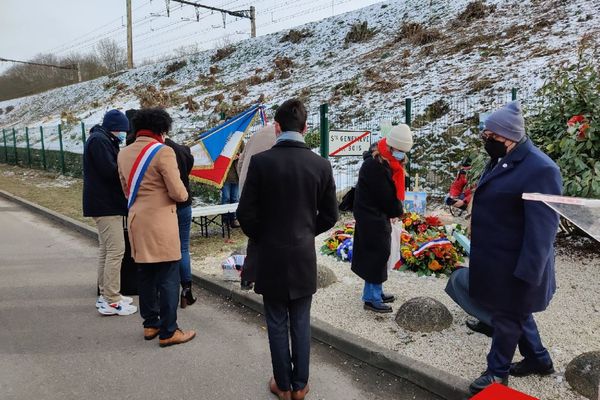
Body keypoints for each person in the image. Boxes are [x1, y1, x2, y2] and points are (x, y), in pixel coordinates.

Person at [444, 101, 562, 395]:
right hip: (496, 257)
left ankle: (496, 374)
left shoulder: (541, 169)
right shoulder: (501, 159)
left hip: (517, 263)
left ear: (508, 136)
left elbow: (543, 228)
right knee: (517, 313)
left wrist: (528, 273)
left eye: (490, 137)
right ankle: (538, 359)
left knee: (507, 317)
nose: (485, 141)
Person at [237, 99, 338, 400]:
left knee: (277, 320)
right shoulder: (320, 165)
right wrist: (306, 232)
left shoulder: (262, 162)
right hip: (303, 254)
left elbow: (245, 214)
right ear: (306, 128)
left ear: (277, 127)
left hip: (270, 254)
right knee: (301, 321)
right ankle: (300, 385)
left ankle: (282, 384)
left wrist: (264, 236)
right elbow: (330, 216)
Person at [117, 108, 196, 347]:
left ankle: (150, 324)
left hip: (137, 220)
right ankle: (169, 330)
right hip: (161, 223)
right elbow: (179, 192)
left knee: (145, 274)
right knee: (168, 276)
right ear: (161, 129)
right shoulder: (163, 152)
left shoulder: (123, 153)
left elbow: (125, 189)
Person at [351, 124, 412, 313]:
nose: (402, 155)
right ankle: (371, 298)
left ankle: (373, 292)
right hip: (372, 217)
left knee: (377, 254)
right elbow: (386, 197)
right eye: (400, 151)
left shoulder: (383, 162)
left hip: (374, 215)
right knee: (377, 254)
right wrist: (398, 211)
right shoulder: (376, 166)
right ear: (392, 147)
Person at [83, 109, 137, 316]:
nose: (124, 134)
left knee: (106, 251)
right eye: (123, 130)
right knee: (116, 251)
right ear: (116, 128)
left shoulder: (102, 139)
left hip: (103, 204)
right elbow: (111, 171)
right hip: (105, 205)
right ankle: (112, 300)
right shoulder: (100, 141)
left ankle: (106, 293)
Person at [237, 124, 277, 290]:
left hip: (247, 188)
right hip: (268, 189)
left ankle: (247, 277)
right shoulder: (282, 136)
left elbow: (240, 163)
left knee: (254, 236)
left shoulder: (256, 134)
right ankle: (268, 275)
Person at [164, 136, 197, 308]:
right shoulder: (183, 150)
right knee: (183, 247)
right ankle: (187, 289)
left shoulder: (159, 151)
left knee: (165, 249)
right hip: (185, 204)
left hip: (166, 206)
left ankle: (166, 291)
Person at [221, 143, 244, 229]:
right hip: (225, 176)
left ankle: (234, 219)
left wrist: (238, 156)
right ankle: (225, 220)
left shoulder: (239, 140)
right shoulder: (223, 141)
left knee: (235, 199)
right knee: (226, 198)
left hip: (236, 175)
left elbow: (244, 154)